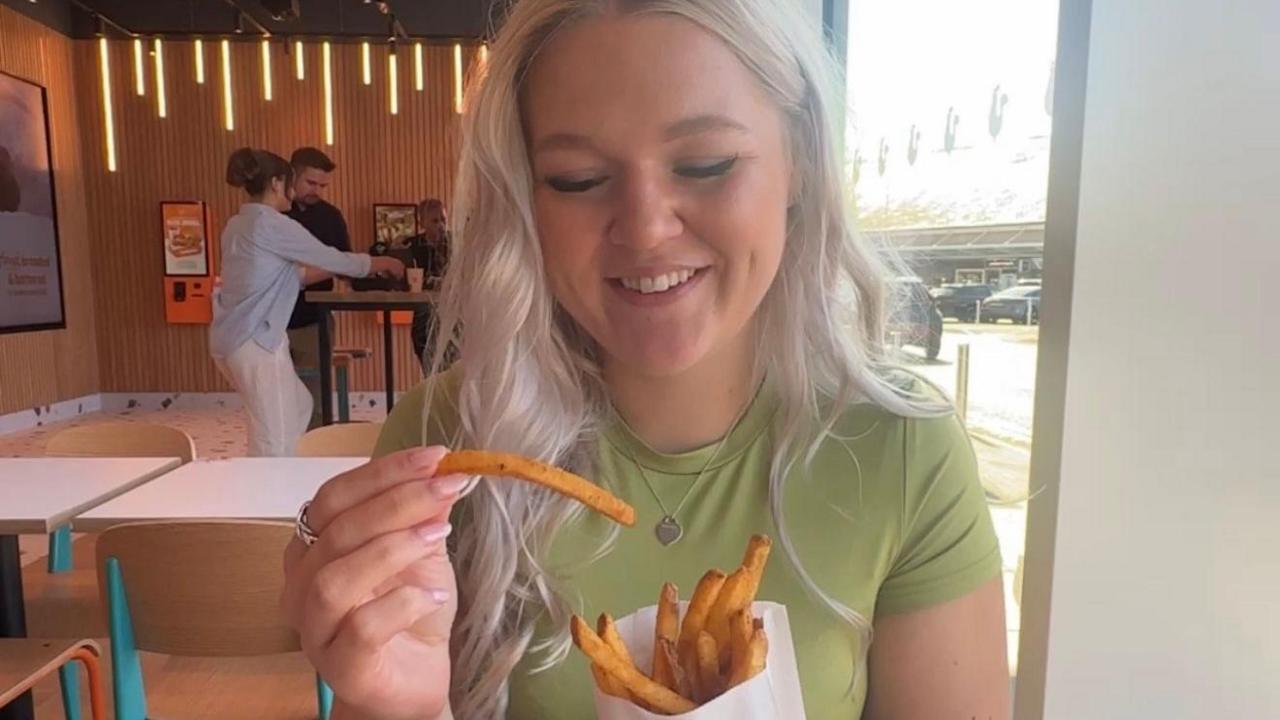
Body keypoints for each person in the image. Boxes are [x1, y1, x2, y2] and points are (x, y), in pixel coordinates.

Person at [281, 1, 1009, 718]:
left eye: (705, 163)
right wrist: (398, 709)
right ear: (527, 202)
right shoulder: (446, 443)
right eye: (577, 178)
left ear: (802, 168)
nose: (646, 227)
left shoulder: (903, 448)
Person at [211, 148, 403, 457]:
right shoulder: (272, 224)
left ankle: (278, 480)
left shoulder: (237, 225)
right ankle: (271, 498)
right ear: (277, 183)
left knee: (299, 406)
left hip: (232, 341)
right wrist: (384, 263)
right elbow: (335, 259)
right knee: (275, 436)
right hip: (257, 343)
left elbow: (282, 277)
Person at [286, 147, 351, 430]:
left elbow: (346, 264)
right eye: (311, 183)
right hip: (269, 322)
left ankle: (312, 455)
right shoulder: (274, 216)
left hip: (313, 320)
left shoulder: (330, 217)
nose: (317, 191)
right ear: (292, 176)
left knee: (314, 397)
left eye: (323, 185)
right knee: (275, 398)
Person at [407, 198, 451, 371]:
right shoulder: (412, 246)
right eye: (434, 221)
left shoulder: (457, 244)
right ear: (422, 223)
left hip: (450, 310)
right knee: (426, 355)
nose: (440, 225)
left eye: (443, 220)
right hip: (423, 311)